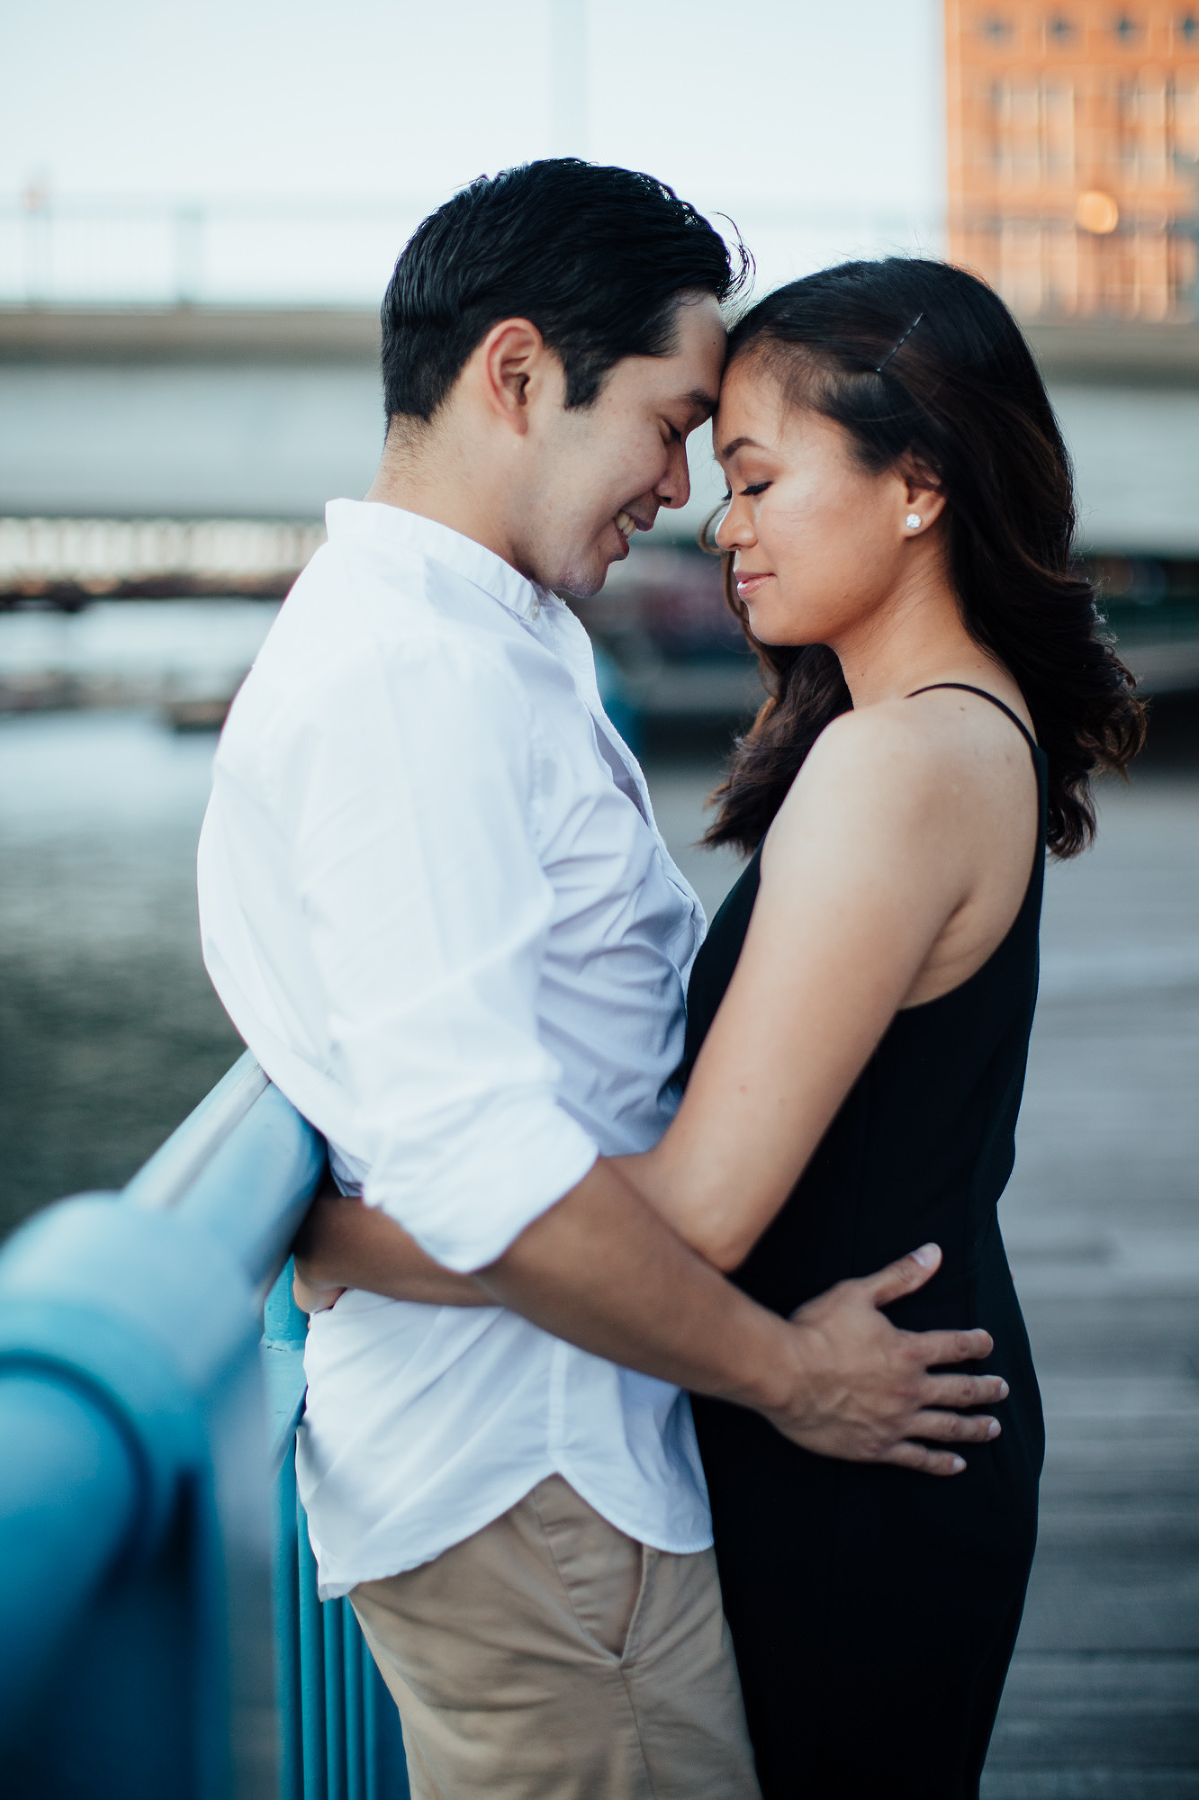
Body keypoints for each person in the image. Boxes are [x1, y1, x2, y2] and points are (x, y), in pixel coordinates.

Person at [199, 163, 1007, 1800]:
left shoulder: (489, 649)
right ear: (517, 375)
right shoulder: (410, 687)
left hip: (578, 1471)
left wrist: (337, 1237)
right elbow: (493, 1170)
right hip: (542, 1489)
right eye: (669, 421)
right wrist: (792, 1374)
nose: (688, 486)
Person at [601, 259, 1144, 1797]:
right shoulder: (961, 727)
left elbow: (701, 1211)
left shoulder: (897, 761)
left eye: (761, 479)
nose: (727, 524)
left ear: (918, 485)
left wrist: (355, 1233)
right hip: (884, 1426)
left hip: (852, 1454)